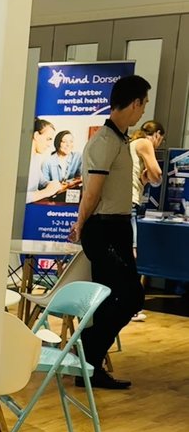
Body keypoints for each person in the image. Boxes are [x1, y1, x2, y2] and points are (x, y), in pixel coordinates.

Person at [69, 74, 151, 389]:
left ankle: (89, 367)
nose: (143, 111)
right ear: (134, 103)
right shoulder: (104, 142)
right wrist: (80, 223)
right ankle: (86, 350)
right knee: (131, 295)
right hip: (103, 228)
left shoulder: (120, 140)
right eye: (143, 104)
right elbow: (93, 192)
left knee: (112, 298)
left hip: (116, 226)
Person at [128, 119, 164, 321]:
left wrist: (146, 177)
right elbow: (157, 174)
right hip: (130, 205)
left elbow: (141, 179)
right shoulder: (145, 143)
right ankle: (132, 306)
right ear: (157, 134)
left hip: (126, 203)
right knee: (131, 254)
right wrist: (154, 177)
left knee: (128, 253)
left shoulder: (132, 144)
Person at [26, 118, 63, 203]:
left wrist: (52, 184)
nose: (49, 145)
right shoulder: (18, 161)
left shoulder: (36, 158)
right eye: (48, 139)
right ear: (36, 135)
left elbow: (42, 182)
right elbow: (16, 196)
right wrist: (47, 192)